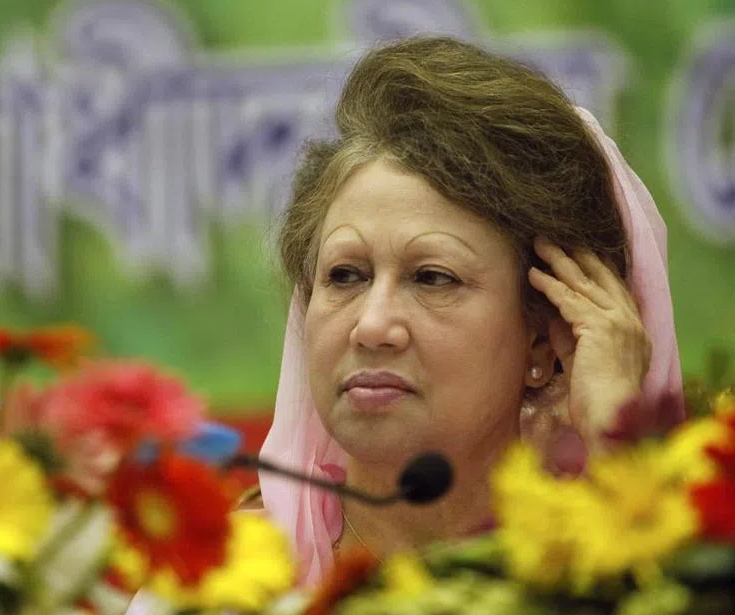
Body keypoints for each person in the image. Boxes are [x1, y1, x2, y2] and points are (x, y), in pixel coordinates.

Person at [253, 36, 683, 585]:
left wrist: (617, 440)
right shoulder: (221, 597)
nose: (372, 325)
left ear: (545, 342)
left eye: (432, 278)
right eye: (346, 276)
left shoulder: (629, 581)